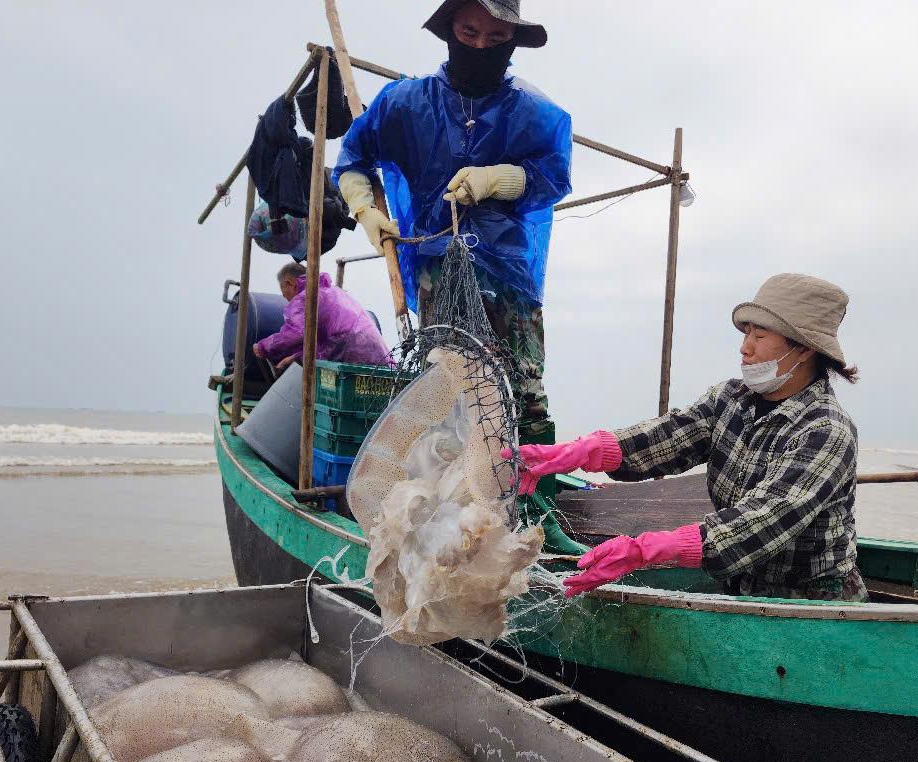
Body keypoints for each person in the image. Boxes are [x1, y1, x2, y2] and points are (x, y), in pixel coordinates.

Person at [333, 0, 580, 550]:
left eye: (495, 36)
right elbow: (352, 158)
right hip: (437, 268)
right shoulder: (404, 104)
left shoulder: (538, 115)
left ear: (512, 40)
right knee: (452, 389)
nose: (479, 44)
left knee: (523, 391)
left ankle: (538, 511)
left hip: (508, 272)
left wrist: (502, 178)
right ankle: (454, 511)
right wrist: (364, 211)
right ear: (449, 29)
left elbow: (554, 177)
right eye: (469, 30)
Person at [511, 273, 868, 602]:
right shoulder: (731, 399)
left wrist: (647, 549)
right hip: (740, 589)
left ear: (804, 349)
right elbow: (667, 437)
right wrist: (582, 451)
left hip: (812, 605)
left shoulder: (826, 431)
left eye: (760, 337)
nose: (745, 348)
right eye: (746, 334)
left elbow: (763, 520)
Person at [253, 261, 394, 373]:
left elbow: (297, 333)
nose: (287, 300)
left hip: (352, 353)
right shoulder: (331, 291)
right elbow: (326, 343)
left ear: (290, 284)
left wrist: (263, 347)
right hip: (376, 351)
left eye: (284, 294)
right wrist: (295, 357)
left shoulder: (303, 299)